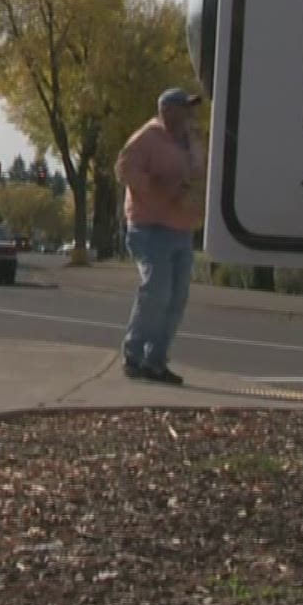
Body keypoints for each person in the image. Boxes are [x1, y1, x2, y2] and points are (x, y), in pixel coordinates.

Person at [114, 87, 206, 384]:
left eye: (191, 107)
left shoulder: (192, 140)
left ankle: (156, 361)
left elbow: (201, 172)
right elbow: (124, 169)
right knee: (156, 291)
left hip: (182, 229)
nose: (190, 113)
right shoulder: (146, 138)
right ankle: (134, 356)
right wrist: (158, 187)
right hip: (149, 227)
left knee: (176, 299)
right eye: (184, 107)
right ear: (167, 110)